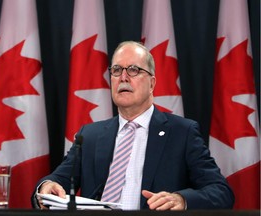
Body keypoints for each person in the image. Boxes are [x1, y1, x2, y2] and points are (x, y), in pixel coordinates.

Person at [31, 41, 234, 210]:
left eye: (134, 70)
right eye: (117, 70)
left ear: (152, 84)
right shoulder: (90, 135)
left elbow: (220, 192)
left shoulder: (182, 133)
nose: (124, 77)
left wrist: (181, 200)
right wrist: (47, 186)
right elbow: (56, 180)